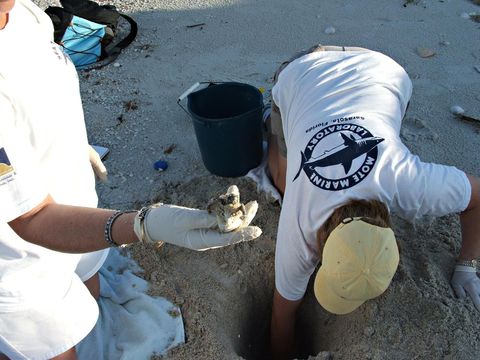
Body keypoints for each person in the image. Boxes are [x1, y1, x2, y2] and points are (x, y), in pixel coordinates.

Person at [0, 1, 262, 359]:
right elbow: (30, 219)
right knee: (52, 344)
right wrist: (142, 225)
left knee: (89, 290)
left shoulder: (19, 13)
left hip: (70, 198)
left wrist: (72, 148)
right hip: (21, 257)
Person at [266, 44, 480, 359]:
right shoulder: (298, 227)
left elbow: (477, 197)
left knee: (380, 133)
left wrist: (469, 264)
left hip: (385, 74)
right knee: (283, 181)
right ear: (317, 247)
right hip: (301, 73)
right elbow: (280, 317)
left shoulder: (410, 183)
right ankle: (268, 123)